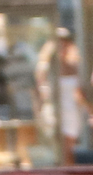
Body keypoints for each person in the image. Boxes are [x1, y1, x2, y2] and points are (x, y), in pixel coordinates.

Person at [35, 26, 86, 163]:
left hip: (72, 112)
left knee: (70, 150)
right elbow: (39, 92)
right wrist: (38, 113)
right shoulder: (45, 68)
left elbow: (79, 92)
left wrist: (91, 111)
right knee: (61, 150)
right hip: (54, 111)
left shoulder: (74, 65)